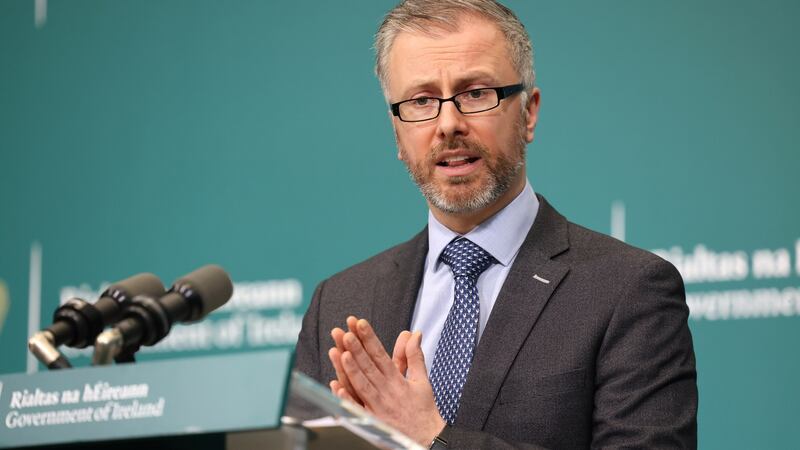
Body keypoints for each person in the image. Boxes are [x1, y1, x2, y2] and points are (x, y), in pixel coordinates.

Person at [294, 0, 698, 448]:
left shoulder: (627, 290)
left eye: (476, 94)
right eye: (422, 100)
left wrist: (434, 440)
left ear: (528, 113)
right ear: (397, 134)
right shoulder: (340, 302)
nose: (448, 123)